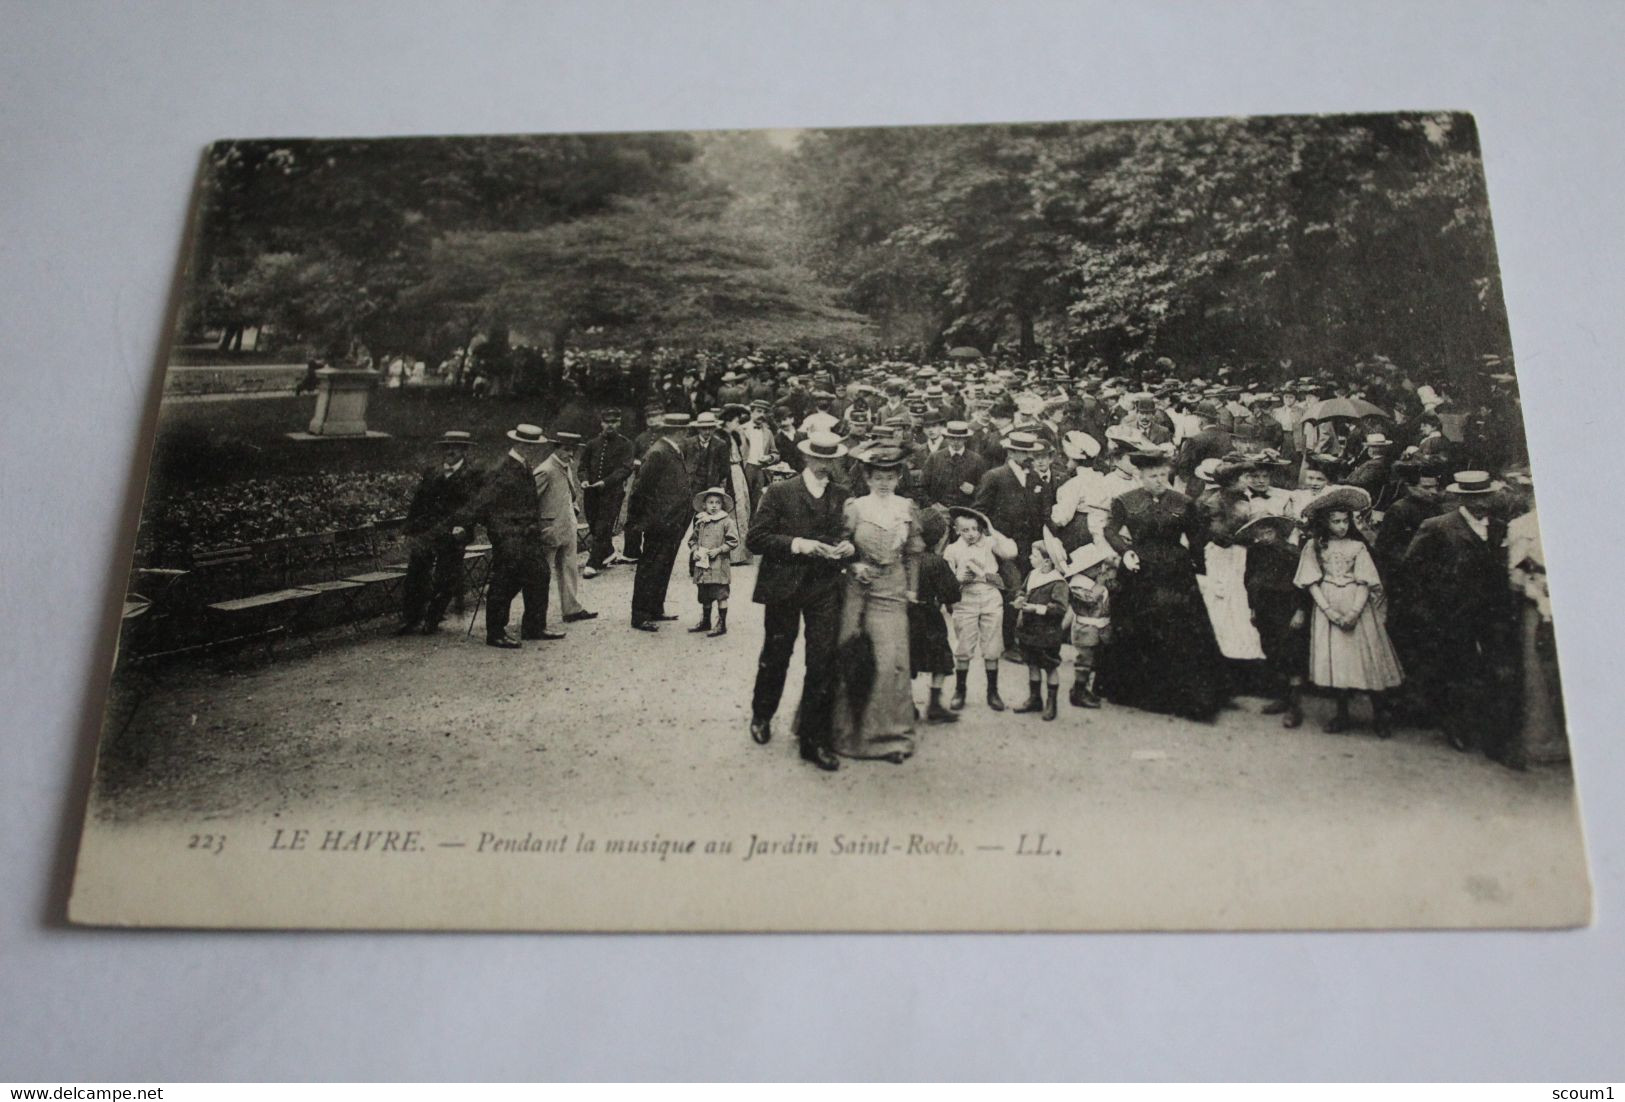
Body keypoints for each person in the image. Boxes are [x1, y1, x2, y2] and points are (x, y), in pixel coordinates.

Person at [745, 431, 856, 771]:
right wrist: (799, 544)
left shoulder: (842, 494)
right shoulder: (780, 491)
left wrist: (849, 548)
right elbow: (756, 539)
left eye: (830, 458)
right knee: (777, 654)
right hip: (784, 585)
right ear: (807, 458)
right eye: (819, 458)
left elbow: (848, 536)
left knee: (822, 660)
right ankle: (762, 715)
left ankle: (813, 738)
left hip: (825, 587)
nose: (825, 464)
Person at [1097, 448, 1227, 721]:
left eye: (1162, 474)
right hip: (1139, 569)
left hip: (1174, 570)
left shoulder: (1183, 502)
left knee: (1178, 628)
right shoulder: (1124, 500)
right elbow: (1109, 529)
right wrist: (1124, 551)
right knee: (1139, 626)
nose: (1158, 480)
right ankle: (1136, 691)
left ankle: (1184, 695)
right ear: (1140, 476)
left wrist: (1201, 571)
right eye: (1152, 475)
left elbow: (1196, 538)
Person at [1399, 471, 1519, 764]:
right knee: (1457, 671)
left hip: (1493, 613)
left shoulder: (1500, 528)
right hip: (1452, 613)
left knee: (1497, 671)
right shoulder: (1439, 527)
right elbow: (1411, 571)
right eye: (1473, 498)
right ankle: (1457, 726)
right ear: (1462, 498)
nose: (1480, 504)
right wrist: (1426, 610)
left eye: (1485, 497)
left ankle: (1496, 741)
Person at [828, 442, 925, 764]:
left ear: (899, 477)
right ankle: (843, 732)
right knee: (851, 653)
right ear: (867, 478)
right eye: (878, 476)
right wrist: (852, 565)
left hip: (893, 589)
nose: (884, 482)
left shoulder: (907, 507)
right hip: (858, 588)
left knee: (890, 661)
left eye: (891, 476)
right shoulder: (854, 507)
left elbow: (913, 551)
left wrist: (912, 589)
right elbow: (839, 543)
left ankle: (887, 736)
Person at [1294, 486, 1404, 735]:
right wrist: (1329, 611)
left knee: (1368, 658)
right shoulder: (1314, 546)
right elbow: (1310, 580)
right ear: (1325, 522)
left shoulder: (1358, 547)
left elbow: (1366, 579)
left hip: (1357, 603)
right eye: (1336, 521)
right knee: (1337, 660)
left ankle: (1379, 715)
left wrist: (1354, 611)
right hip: (1328, 602)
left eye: (1345, 521)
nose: (1342, 526)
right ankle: (1341, 713)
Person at [457, 423, 561, 648]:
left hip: (529, 534)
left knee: (540, 576)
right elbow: (483, 503)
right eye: (531, 445)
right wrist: (501, 532)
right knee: (505, 582)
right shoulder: (502, 469)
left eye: (536, 445)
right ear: (520, 444)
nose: (535, 449)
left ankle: (534, 626)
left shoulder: (524, 465)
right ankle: (495, 632)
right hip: (510, 537)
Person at [973, 430, 1051, 659]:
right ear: (1011, 451)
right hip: (1004, 546)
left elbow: (1043, 511)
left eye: (1029, 452)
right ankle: (1009, 644)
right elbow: (979, 511)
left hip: (1030, 547)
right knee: (1014, 589)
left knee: (1031, 590)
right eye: (1021, 452)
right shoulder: (995, 476)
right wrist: (993, 539)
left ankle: (1025, 640)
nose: (1027, 456)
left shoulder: (1035, 478)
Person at [396, 430, 476, 635]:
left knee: (446, 577)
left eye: (455, 447)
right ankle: (411, 618)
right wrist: (410, 528)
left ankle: (433, 618)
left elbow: (474, 506)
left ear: (464, 450)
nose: (450, 451)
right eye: (446, 447)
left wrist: (464, 526)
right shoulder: (432, 472)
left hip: (453, 534)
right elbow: (418, 503)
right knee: (415, 574)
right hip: (427, 532)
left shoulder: (472, 475)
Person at [626, 413, 695, 632]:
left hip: (673, 521)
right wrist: (641, 521)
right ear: (678, 432)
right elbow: (639, 490)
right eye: (685, 431)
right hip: (660, 522)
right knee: (651, 567)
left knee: (663, 566)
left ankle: (655, 607)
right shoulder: (658, 452)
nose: (687, 435)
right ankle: (640, 614)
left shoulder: (671, 450)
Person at [1237, 514, 1308, 726]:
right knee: (1272, 651)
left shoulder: (1291, 553)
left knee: (1292, 654)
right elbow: (1249, 580)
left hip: (1287, 608)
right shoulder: (1254, 552)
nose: (1265, 536)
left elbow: (1303, 584)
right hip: (1265, 608)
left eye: (1269, 532)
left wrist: (1300, 611)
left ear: (1277, 532)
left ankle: (1295, 707)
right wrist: (1253, 608)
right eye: (1260, 533)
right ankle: (1282, 698)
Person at [944, 505, 1016, 711]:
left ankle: (992, 692)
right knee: (963, 646)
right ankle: (960, 690)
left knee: (992, 646)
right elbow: (947, 582)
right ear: (956, 530)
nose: (971, 534)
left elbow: (1011, 552)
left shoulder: (988, 543)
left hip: (990, 597)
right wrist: (959, 580)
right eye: (965, 530)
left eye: (975, 529)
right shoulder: (952, 550)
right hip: (965, 600)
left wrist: (991, 529)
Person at [533, 429, 595, 625]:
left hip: (567, 526)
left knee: (569, 568)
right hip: (549, 530)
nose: (571, 455)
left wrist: (573, 508)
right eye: (567, 450)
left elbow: (570, 492)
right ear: (556, 449)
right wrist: (542, 524)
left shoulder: (565, 466)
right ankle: (535, 617)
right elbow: (530, 501)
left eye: (573, 451)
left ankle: (571, 609)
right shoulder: (546, 470)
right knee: (541, 575)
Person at [908, 504, 961, 724]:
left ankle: (908, 704)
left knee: (909, 661)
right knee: (940, 660)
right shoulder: (937, 563)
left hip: (908, 616)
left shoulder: (907, 561)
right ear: (940, 537)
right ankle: (935, 704)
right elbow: (951, 594)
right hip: (930, 616)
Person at [1010, 530, 1071, 720]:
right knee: (1032, 663)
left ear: (1047, 561)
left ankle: (1051, 703)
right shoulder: (1033, 574)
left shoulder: (1058, 583)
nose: (1029, 557)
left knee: (1050, 666)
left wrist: (1036, 608)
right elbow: (1022, 590)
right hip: (1029, 629)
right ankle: (1035, 698)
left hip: (1047, 632)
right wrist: (1020, 599)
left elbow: (1060, 608)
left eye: (1034, 554)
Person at [580, 408, 634, 575]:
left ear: (619, 423)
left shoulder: (626, 445)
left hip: (612, 493)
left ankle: (593, 563)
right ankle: (609, 552)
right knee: (594, 525)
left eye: (613, 422)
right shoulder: (592, 444)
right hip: (591, 493)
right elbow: (582, 467)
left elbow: (625, 469)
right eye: (606, 422)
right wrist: (584, 480)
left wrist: (606, 482)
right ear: (601, 423)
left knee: (603, 526)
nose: (610, 425)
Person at [1063, 543, 1116, 708]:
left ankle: (1085, 689)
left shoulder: (1095, 579)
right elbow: (1089, 600)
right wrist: (1100, 585)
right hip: (1085, 628)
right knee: (1084, 661)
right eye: (1097, 565)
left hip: (1100, 626)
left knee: (1094, 659)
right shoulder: (1076, 584)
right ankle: (1078, 692)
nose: (1101, 568)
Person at [687, 488, 740, 637]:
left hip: (719, 565)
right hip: (703, 565)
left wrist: (719, 550)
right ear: (704, 505)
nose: (714, 506)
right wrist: (695, 550)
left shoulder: (727, 522)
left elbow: (733, 541)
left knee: (720, 594)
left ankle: (721, 623)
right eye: (711, 503)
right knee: (705, 594)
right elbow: (692, 540)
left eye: (718, 503)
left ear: (722, 505)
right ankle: (705, 621)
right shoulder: (701, 521)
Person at [919, 419, 988, 508]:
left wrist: (974, 490)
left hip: (965, 511)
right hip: (938, 511)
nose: (955, 442)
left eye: (959, 439)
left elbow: (985, 491)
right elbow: (922, 487)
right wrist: (932, 505)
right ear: (946, 438)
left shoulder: (976, 460)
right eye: (952, 438)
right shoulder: (935, 458)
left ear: (965, 439)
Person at [718, 405, 756, 565]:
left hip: (737, 471)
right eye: (735, 421)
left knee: (742, 508)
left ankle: (741, 553)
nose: (738, 424)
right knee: (733, 508)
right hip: (730, 473)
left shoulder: (734, 435)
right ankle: (733, 554)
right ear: (727, 422)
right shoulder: (721, 437)